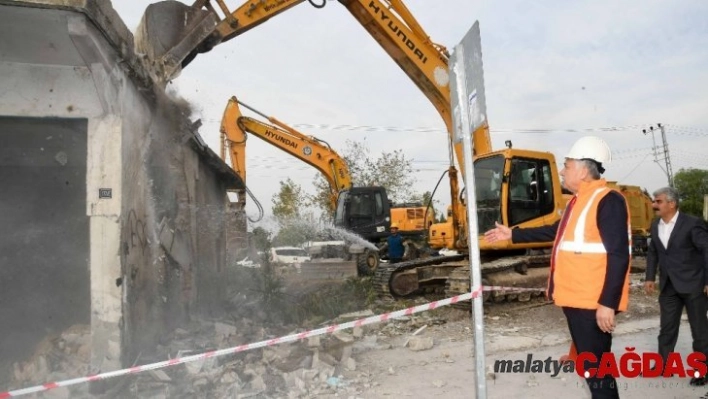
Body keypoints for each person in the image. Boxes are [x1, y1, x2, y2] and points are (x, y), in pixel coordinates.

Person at [484, 136, 631, 399]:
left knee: (598, 374)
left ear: (584, 170)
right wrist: (512, 234)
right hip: (575, 300)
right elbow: (556, 230)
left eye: (567, 165)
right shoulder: (578, 201)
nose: (562, 171)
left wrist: (607, 303)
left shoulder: (608, 200)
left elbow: (619, 255)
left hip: (591, 303)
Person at [644, 186, 708, 385]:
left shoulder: (692, 224)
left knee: (700, 331)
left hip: (694, 285)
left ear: (672, 204)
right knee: (667, 328)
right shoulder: (655, 225)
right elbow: (653, 252)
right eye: (654, 201)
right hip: (669, 285)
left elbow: (706, 251)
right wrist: (649, 277)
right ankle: (664, 365)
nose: (654, 205)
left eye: (658, 201)